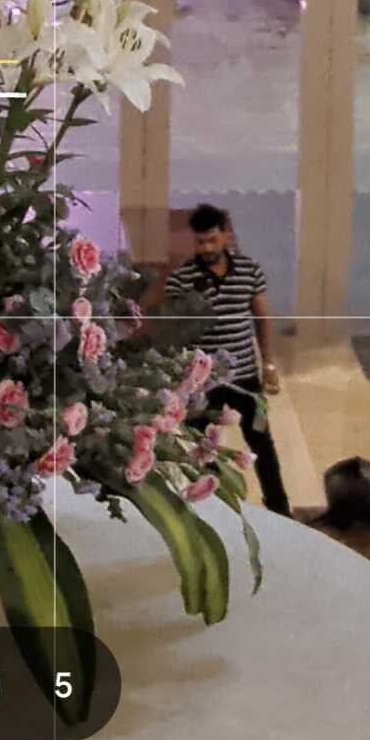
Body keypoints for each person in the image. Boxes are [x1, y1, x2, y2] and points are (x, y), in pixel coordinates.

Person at [164, 203, 291, 516]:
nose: (207, 248)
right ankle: (216, 509)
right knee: (200, 446)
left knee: (261, 442)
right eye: (200, 242)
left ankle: (280, 509)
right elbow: (174, 329)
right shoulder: (182, 279)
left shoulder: (249, 271)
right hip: (203, 380)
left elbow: (261, 318)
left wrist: (269, 364)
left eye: (212, 240)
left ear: (225, 237)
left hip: (245, 375)